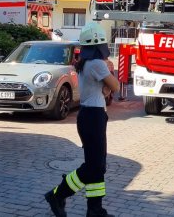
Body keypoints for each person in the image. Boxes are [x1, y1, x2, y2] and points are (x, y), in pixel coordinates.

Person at [45, 22, 120, 217]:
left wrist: (106, 88)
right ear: (99, 44)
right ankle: (58, 194)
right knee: (94, 166)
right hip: (93, 117)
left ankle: (95, 210)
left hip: (89, 116)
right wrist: (108, 86)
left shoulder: (85, 63)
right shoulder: (97, 64)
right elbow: (116, 87)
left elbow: (104, 89)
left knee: (97, 166)